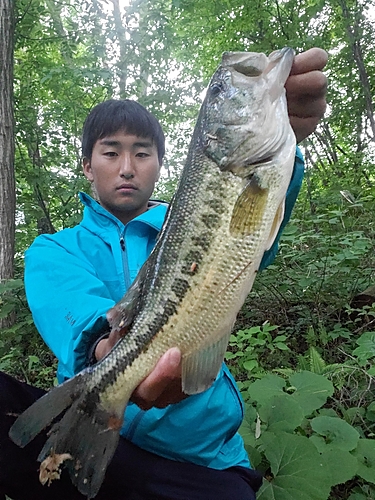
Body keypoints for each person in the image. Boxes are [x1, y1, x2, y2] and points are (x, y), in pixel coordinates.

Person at [0, 48, 328, 500]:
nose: (127, 167)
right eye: (111, 152)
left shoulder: (187, 217)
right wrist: (105, 346)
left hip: (200, 458)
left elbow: (255, 237)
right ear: (87, 165)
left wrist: (287, 146)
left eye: (142, 153)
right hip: (97, 438)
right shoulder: (53, 250)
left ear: (161, 163)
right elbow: (71, 308)